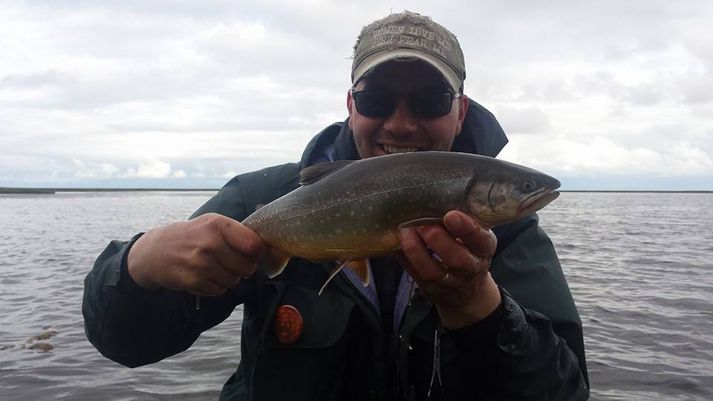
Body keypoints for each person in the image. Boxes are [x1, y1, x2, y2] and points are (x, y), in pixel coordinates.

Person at [83, 10, 589, 401]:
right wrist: (139, 267)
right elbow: (126, 344)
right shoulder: (263, 199)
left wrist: (477, 307)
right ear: (350, 106)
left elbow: (566, 391)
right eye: (376, 100)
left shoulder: (508, 235)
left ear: (460, 112)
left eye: (430, 101)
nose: (401, 123)